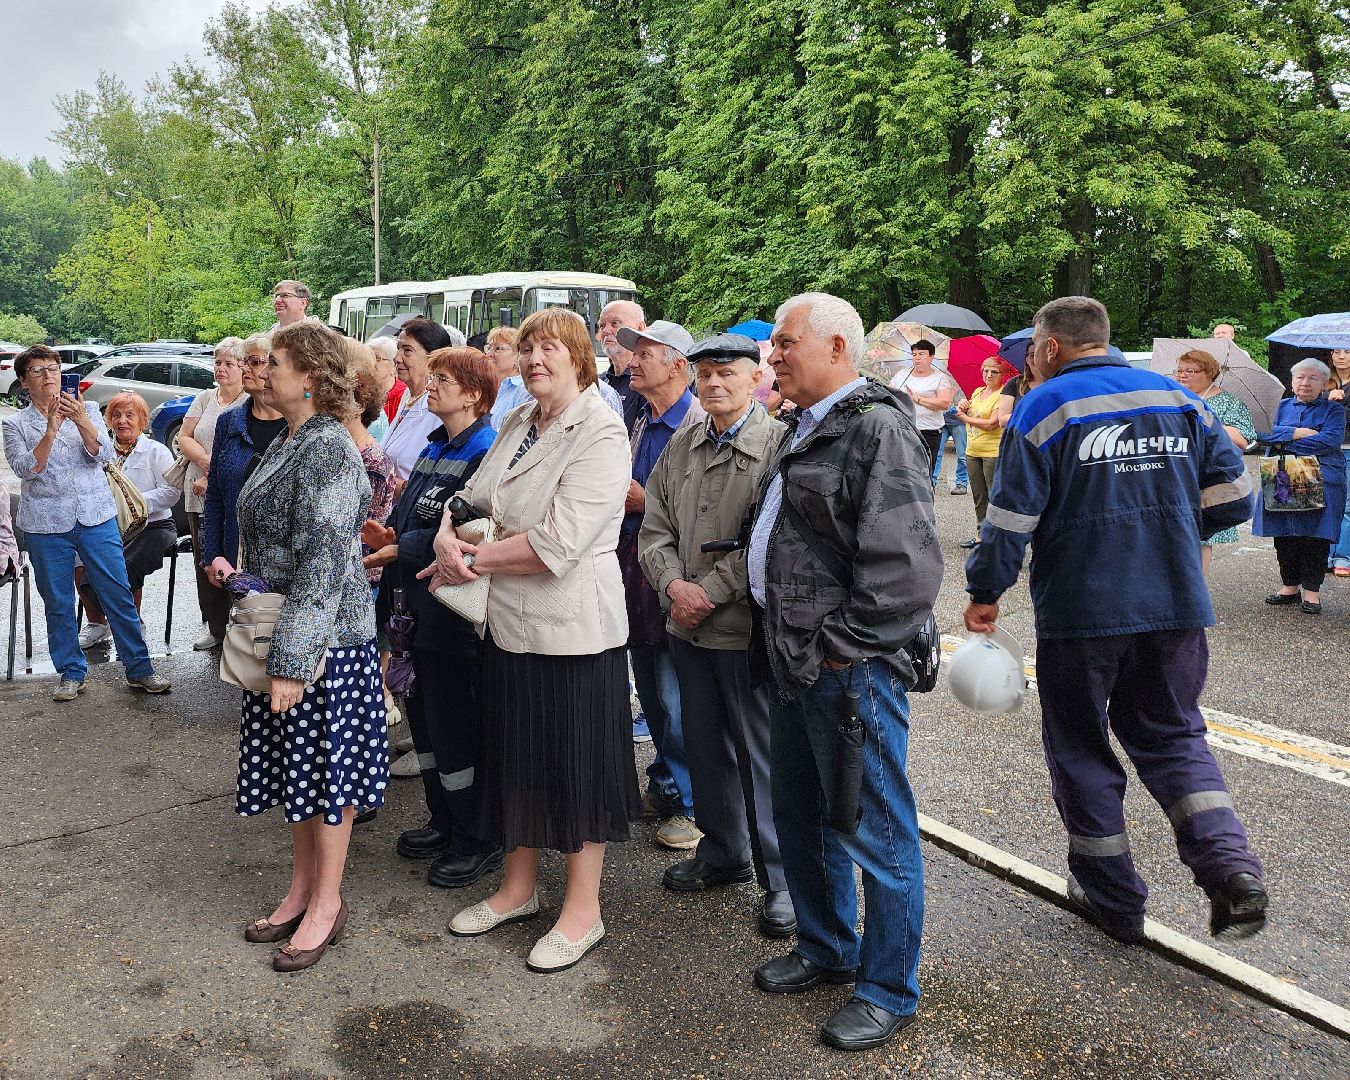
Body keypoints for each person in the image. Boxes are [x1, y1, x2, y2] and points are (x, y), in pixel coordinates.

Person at [964, 295, 1268, 949]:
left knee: (1080, 747)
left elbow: (1009, 520)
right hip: (1174, 602)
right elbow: (1235, 498)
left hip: (1083, 610)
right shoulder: (1178, 399)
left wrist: (985, 592)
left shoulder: (1043, 407)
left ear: (1051, 347)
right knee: (1174, 737)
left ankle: (1114, 900)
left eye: (1034, 350)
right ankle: (1232, 870)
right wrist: (1173, 529)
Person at [749, 294, 940, 1052]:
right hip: (794, 659)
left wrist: (840, 646)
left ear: (835, 347)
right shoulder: (807, 422)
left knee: (876, 830)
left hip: (846, 669)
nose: (772, 355)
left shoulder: (877, 427)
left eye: (785, 341)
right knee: (802, 815)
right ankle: (827, 947)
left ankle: (888, 989)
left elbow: (905, 568)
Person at [425, 307, 634, 974]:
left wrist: (469, 558)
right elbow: (471, 496)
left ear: (581, 358)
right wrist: (446, 534)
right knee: (514, 757)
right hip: (507, 623)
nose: (535, 359)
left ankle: (583, 911)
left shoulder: (601, 432)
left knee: (576, 769)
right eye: (528, 348)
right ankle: (518, 889)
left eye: (551, 349)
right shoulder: (520, 420)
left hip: (575, 634)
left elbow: (558, 544)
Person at [212, 321, 387, 973]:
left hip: (324, 644)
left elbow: (322, 563)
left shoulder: (329, 448)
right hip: (286, 628)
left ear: (311, 377)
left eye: (275, 363)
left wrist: (291, 660)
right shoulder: (292, 437)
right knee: (298, 773)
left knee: (328, 778)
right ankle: (301, 890)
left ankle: (327, 903)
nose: (261, 370)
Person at [637, 332, 794, 938]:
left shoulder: (778, 445)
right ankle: (723, 850)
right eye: (704, 374)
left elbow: (770, 538)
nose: (713, 383)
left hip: (742, 631)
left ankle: (781, 880)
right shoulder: (684, 442)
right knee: (702, 746)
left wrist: (707, 592)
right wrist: (674, 586)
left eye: (727, 373)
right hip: (687, 626)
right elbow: (654, 526)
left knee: (762, 758)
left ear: (756, 378)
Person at [362, 347, 502, 888]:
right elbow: (413, 517)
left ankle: (476, 837)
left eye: (444, 379)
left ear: (474, 395)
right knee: (424, 724)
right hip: (413, 609)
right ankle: (442, 820)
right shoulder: (433, 445)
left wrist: (404, 545)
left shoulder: (485, 451)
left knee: (455, 725)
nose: (432, 386)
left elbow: (473, 532)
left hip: (450, 613)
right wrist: (392, 535)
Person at [1, 345, 171, 701]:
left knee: (117, 591)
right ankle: (71, 671)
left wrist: (80, 420)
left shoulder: (89, 408)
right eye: (38, 371)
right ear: (24, 381)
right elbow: (26, 469)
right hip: (45, 523)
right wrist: (50, 430)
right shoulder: (14, 423)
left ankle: (139, 668)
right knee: (58, 601)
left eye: (53, 368)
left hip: (96, 516)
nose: (49, 376)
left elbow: (104, 455)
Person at [616, 320, 705, 852]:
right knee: (649, 689)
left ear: (677, 365)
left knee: (676, 697)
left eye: (645, 353)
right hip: (635, 568)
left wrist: (643, 500)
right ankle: (667, 783)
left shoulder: (695, 422)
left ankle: (694, 806)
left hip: (675, 577)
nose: (633, 361)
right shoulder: (641, 418)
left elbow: (703, 508)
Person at [75, 392, 178, 646]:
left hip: (154, 526)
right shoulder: (101, 452)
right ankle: (97, 623)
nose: (122, 421)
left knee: (125, 563)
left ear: (142, 420)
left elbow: (171, 492)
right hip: (110, 526)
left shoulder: (156, 451)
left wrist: (131, 504)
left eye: (130, 415)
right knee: (79, 559)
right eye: (117, 415)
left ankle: (132, 622)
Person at [1254, 358, 1347, 614]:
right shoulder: (1278, 406)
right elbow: (1260, 433)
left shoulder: (1334, 410)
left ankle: (1312, 591)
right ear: (1292, 381)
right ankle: (1289, 586)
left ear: (1325, 383)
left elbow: (1328, 441)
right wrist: (1296, 433)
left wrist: (1281, 439)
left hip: (1322, 476)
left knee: (1316, 533)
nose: (1305, 382)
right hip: (1281, 475)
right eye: (1300, 377)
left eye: (1313, 378)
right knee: (1284, 531)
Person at [202, 335, 287, 588]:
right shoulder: (229, 421)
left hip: (283, 564)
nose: (245, 368)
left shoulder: (295, 426)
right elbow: (214, 495)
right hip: (235, 555)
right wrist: (212, 555)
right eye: (244, 361)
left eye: (254, 361)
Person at [179, 337, 247, 650]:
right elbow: (184, 436)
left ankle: (241, 627)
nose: (221, 368)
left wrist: (214, 473)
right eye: (218, 362)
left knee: (235, 559)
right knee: (205, 560)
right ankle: (216, 627)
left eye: (228, 363)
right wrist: (208, 463)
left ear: (242, 367)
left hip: (232, 493)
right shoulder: (205, 398)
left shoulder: (249, 402)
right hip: (198, 493)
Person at [1172, 349, 1257, 573]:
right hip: (1177, 472)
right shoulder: (1173, 398)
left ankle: (1196, 586)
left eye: (1190, 371)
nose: (1182, 375)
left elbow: (1242, 439)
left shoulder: (1229, 402)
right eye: (1179, 371)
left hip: (1209, 476)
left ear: (1208, 373)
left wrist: (1205, 420)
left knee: (1202, 535)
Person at [381, 318, 453, 480]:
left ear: (433, 358)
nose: (397, 358)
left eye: (407, 350)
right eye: (398, 349)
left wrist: (399, 486)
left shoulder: (440, 405)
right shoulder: (408, 396)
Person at [955, 358, 1010, 550]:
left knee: (994, 495)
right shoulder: (978, 391)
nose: (989, 375)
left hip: (992, 452)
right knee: (979, 496)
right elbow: (972, 413)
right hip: (972, 450)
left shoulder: (1003, 394)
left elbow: (992, 424)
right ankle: (981, 534)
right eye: (985, 371)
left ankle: (998, 537)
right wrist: (963, 405)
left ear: (1003, 375)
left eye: (994, 371)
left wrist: (964, 417)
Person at [889, 340, 953, 479]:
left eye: (921, 354)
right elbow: (889, 395)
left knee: (924, 471)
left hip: (929, 430)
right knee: (902, 469)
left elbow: (944, 403)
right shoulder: (901, 375)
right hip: (904, 428)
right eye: (914, 355)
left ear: (931, 357)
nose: (917, 358)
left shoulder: (939, 378)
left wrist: (918, 399)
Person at [596, 299, 647, 430]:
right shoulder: (598, 382)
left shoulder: (648, 382)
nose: (606, 331)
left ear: (640, 328)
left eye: (615, 323)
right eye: (602, 325)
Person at [1326, 348, 1350, 577]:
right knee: (1326, 502)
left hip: (1349, 448)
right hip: (1327, 449)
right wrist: (1327, 399)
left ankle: (1343, 555)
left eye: (1347, 351)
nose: (1341, 356)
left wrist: (1339, 406)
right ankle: (1325, 554)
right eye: (1336, 352)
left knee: (1347, 505)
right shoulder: (1323, 382)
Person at [485, 325, 530, 428]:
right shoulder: (485, 388)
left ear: (518, 355)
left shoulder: (523, 390)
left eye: (498, 349)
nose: (489, 354)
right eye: (489, 348)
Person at [369, 335, 405, 432]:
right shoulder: (361, 391)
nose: (370, 363)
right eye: (368, 357)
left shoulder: (403, 397)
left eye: (377, 358)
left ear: (393, 366)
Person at [932, 404, 969, 495]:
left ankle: (962, 483)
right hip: (940, 421)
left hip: (959, 422)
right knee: (936, 454)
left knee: (962, 455)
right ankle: (931, 483)